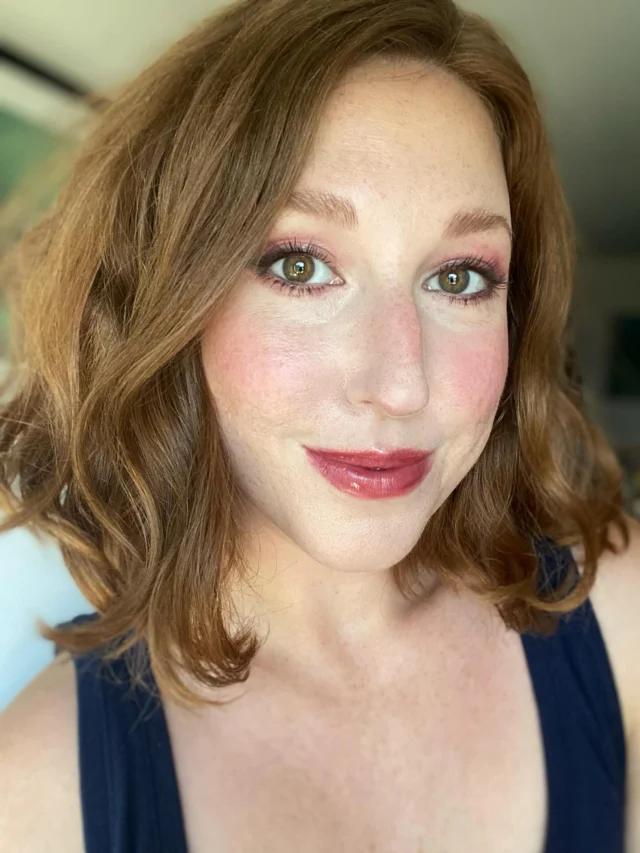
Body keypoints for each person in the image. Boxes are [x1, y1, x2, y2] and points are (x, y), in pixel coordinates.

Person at [0, 0, 638, 850]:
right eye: (299, 266)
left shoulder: (622, 617)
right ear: (164, 298)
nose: (400, 384)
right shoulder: (36, 797)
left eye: (459, 278)